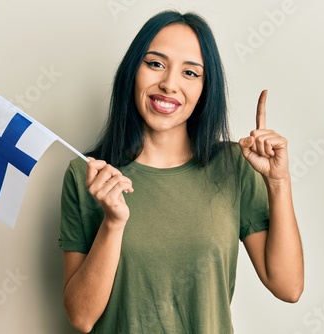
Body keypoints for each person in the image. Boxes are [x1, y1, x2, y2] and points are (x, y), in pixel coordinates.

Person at [58, 10, 304, 333]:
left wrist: (278, 182)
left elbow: (288, 287)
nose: (169, 84)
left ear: (205, 87)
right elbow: (81, 317)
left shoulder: (233, 167)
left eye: (190, 73)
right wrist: (113, 224)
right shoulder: (88, 175)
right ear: (133, 71)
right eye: (155, 64)